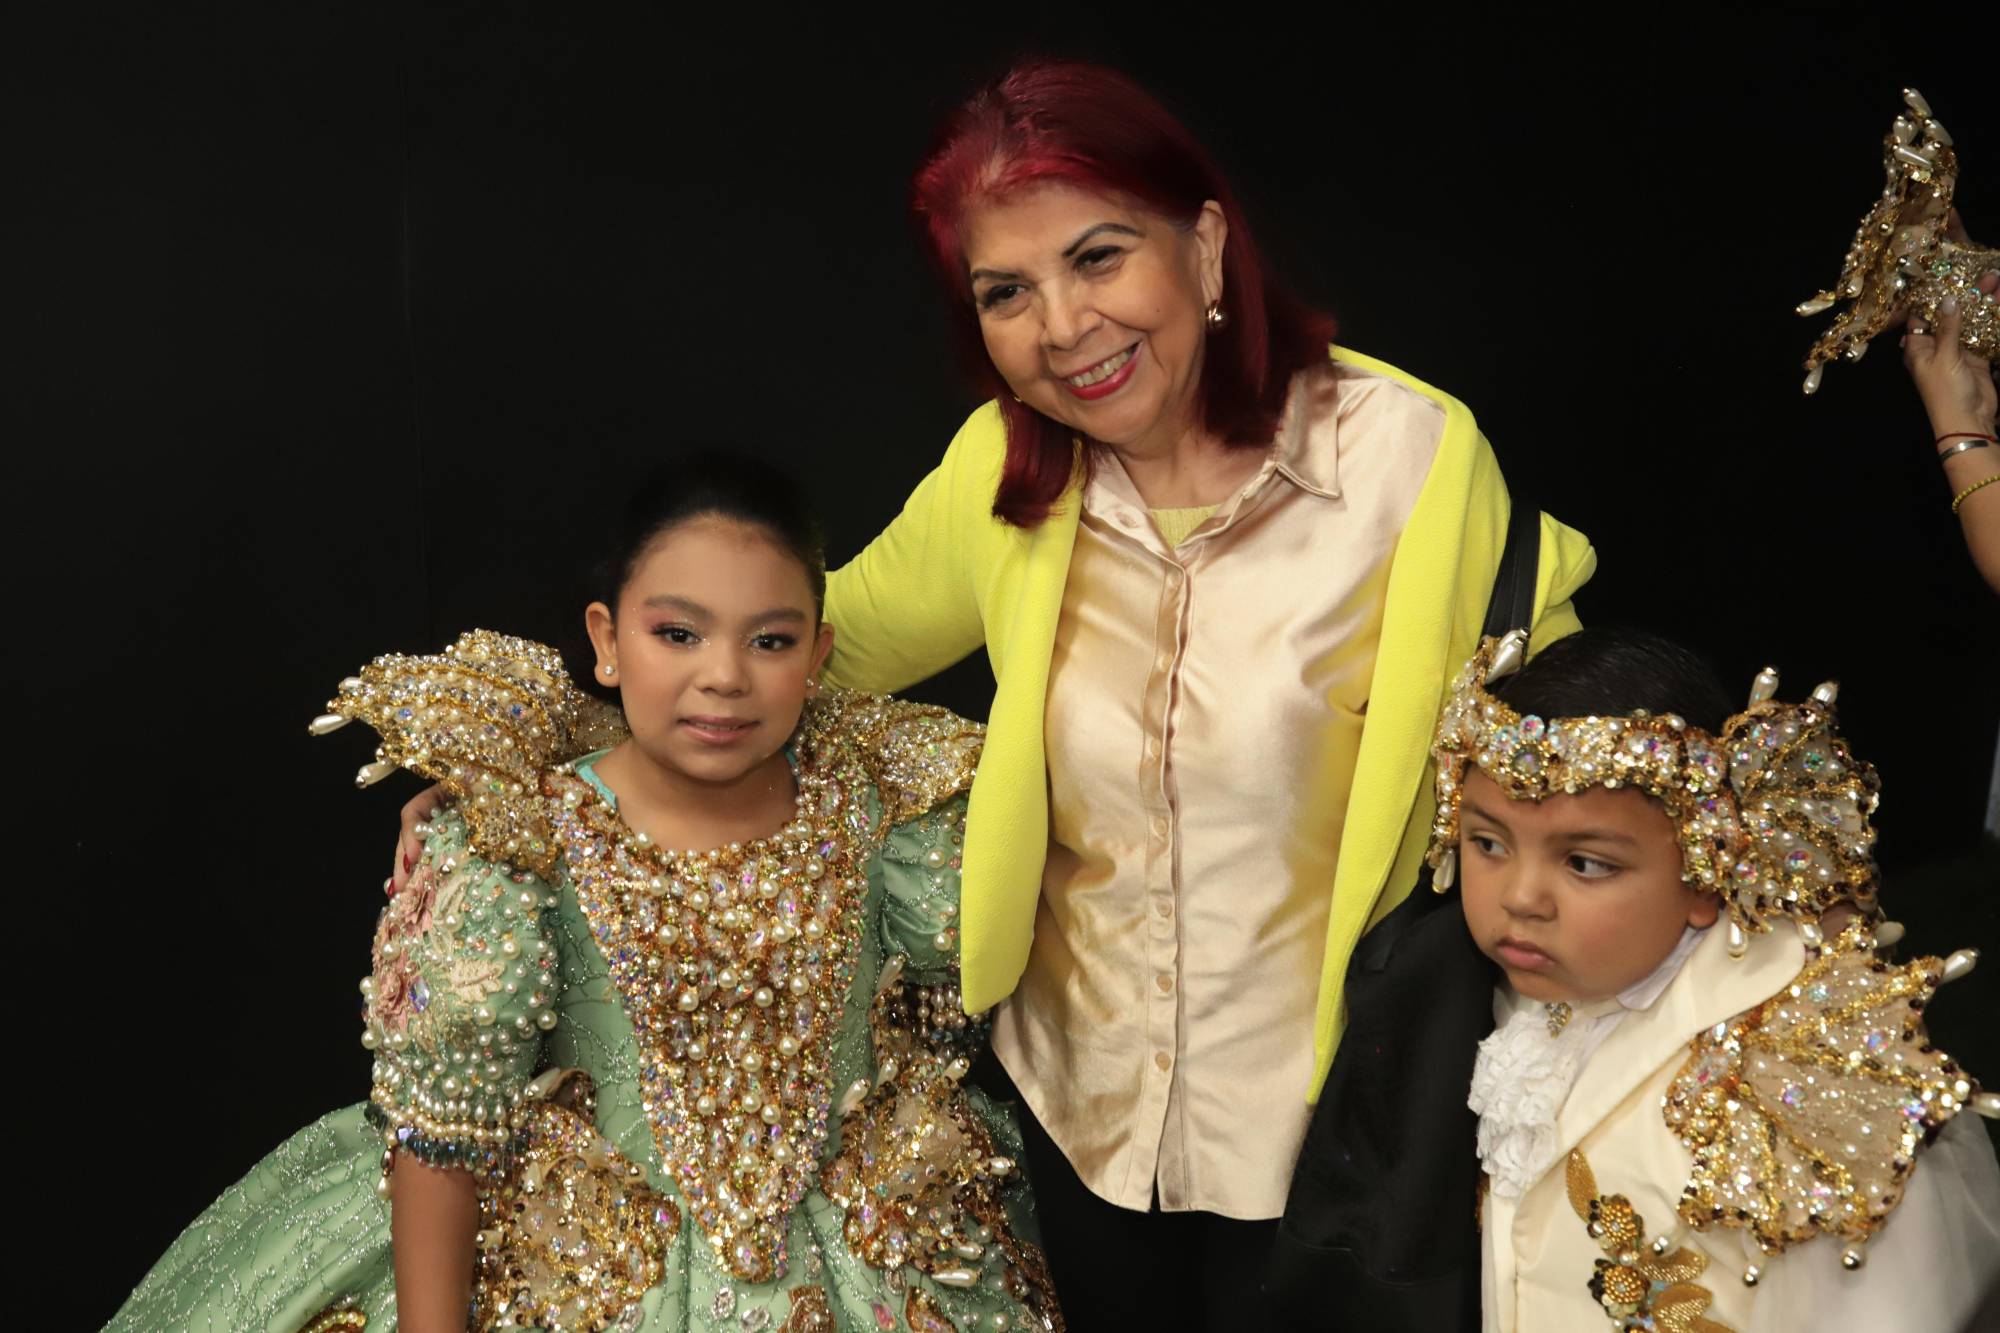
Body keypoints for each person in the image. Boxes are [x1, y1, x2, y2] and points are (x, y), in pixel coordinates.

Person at [381, 59, 1595, 1324]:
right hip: (1078, 1126)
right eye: (1005, 292)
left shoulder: (1409, 459)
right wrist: (526, 772)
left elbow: (1562, 736)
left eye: (1097, 257)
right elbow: (800, 646)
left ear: (1205, 245)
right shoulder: (1002, 470)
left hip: (1340, 1126)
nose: (1062, 328)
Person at [107, 457, 1062, 1333]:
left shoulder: (887, 811)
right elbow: (443, 1138)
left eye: (770, 640)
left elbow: (936, 1039)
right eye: (677, 633)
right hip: (577, 1278)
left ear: (818, 655)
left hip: (865, 1260)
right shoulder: (520, 841)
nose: (723, 676)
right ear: (607, 640)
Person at [1429, 626, 2000, 1331]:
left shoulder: (1805, 1080)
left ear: (1708, 871)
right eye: (1488, 843)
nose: (1520, 898)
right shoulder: (1483, 998)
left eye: (1584, 863)